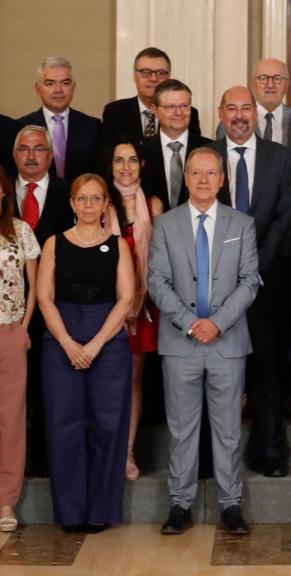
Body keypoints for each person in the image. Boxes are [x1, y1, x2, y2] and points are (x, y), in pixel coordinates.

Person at [147, 148, 259, 536]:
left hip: (227, 343)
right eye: (196, 173)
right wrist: (192, 323)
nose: (204, 180)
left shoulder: (242, 224)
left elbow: (249, 282)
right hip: (181, 342)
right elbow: (157, 281)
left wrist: (217, 324)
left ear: (222, 179)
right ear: (187, 178)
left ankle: (231, 505)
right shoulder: (165, 224)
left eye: (212, 173)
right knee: (181, 429)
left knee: (228, 429)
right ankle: (180, 504)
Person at [36, 174, 134, 532]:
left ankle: (100, 512)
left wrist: (94, 344)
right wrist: (66, 342)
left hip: (107, 341)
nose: (89, 205)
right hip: (61, 337)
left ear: (106, 203)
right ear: (72, 204)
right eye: (83, 199)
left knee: (108, 426)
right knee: (64, 426)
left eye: (96, 199)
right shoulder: (53, 244)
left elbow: (126, 298)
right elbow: (44, 298)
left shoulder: (118, 245)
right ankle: (70, 513)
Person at [209, 86, 291, 477]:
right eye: (233, 108)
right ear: (221, 113)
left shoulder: (280, 157)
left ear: (257, 114)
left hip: (266, 280)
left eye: (247, 108)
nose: (240, 115)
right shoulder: (205, 156)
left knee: (266, 367)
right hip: (213, 282)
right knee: (218, 369)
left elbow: (283, 217)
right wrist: (226, 272)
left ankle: (270, 451)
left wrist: (252, 271)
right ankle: (214, 458)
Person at [12, 124, 74, 477]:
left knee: (52, 390)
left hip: (58, 310)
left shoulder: (70, 194)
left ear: (51, 156)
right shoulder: (4, 194)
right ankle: (16, 464)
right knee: (16, 393)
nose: (32, 155)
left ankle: (48, 462)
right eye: (24, 149)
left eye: (39, 149)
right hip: (11, 311)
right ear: (14, 155)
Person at [105, 140, 165, 480]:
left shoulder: (154, 204)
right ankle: (107, 449)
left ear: (141, 164)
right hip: (107, 306)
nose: (125, 167)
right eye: (118, 160)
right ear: (110, 164)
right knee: (108, 375)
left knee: (135, 376)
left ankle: (127, 452)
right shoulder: (100, 203)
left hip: (144, 306)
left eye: (131, 160)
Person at [0, 165, 41, 533]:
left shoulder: (21, 232)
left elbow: (35, 285)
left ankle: (6, 500)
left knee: (11, 419)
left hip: (10, 333)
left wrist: (24, 328)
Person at [99, 47, 200, 153]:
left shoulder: (185, 114)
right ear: (134, 76)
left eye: (160, 73)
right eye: (146, 72)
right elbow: (107, 156)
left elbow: (193, 155)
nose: (153, 79)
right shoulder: (115, 111)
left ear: (169, 76)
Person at [18, 56, 101, 184]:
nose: (58, 90)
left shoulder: (92, 126)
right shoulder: (21, 127)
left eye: (65, 83)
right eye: (50, 83)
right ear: (38, 88)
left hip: (82, 201)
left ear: (73, 87)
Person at [140, 79, 212, 210]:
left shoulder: (210, 149)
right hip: (152, 227)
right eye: (170, 107)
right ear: (154, 110)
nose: (179, 112)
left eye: (184, 106)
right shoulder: (140, 150)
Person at [217, 58, 291, 148]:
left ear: (287, 84)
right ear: (253, 84)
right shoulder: (232, 121)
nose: (270, 85)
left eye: (277, 78)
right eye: (263, 78)